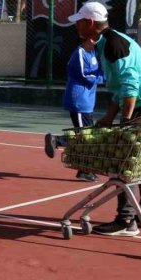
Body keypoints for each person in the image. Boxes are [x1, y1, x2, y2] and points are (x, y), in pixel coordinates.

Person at [66, 1, 141, 236]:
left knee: (124, 162)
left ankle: (126, 220)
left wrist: (126, 119)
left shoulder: (113, 44)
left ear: (90, 23)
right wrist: (109, 116)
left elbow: (130, 86)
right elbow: (118, 89)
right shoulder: (107, 42)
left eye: (79, 21)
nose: (76, 25)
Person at [44, 37, 105, 182]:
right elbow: (86, 76)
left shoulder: (93, 53)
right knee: (85, 136)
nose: (96, 41)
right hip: (79, 101)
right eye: (93, 39)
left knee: (87, 136)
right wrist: (104, 77)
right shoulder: (79, 53)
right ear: (86, 39)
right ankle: (57, 140)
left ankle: (83, 170)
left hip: (87, 102)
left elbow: (98, 71)